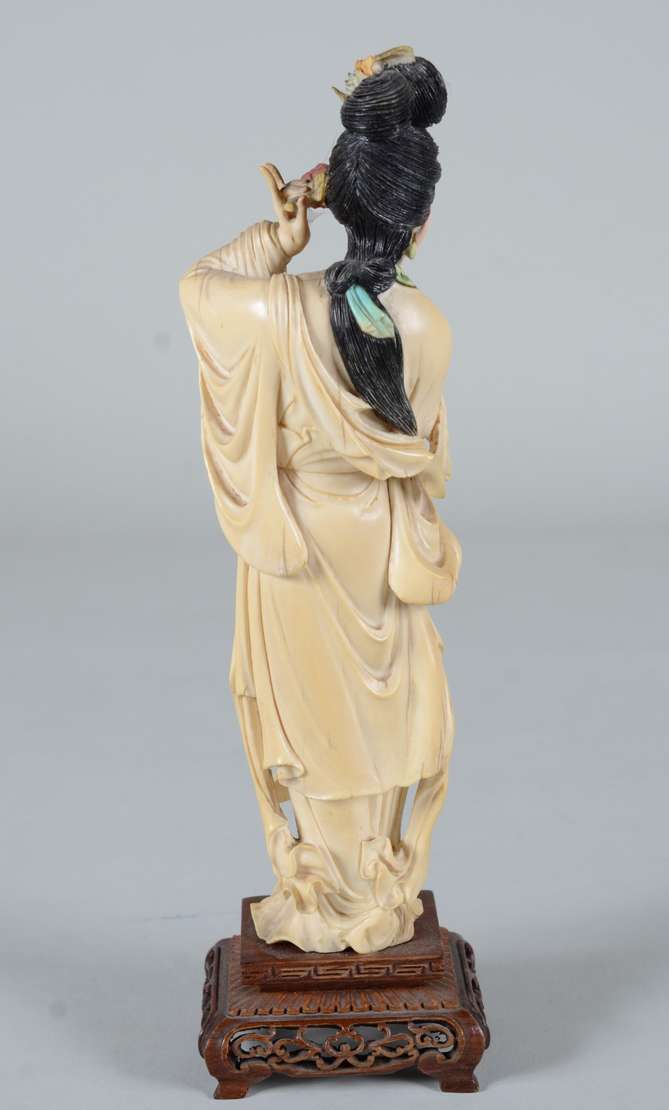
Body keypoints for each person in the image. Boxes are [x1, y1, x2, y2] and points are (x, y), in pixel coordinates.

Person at [179, 49, 461, 954]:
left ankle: (336, 891)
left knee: (313, 725)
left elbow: (198, 288)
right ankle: (367, 887)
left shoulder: (271, 312)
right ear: (418, 221)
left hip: (297, 541)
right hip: (375, 544)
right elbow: (427, 464)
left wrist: (279, 237)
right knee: (378, 721)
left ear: (337, 201)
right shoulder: (425, 326)